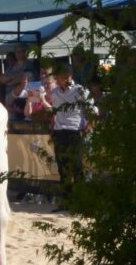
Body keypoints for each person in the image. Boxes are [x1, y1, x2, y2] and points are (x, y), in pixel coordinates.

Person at [50, 65, 95, 212]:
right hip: (59, 132)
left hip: (75, 132)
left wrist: (88, 128)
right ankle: (66, 202)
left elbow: (93, 110)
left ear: (69, 76)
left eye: (60, 76)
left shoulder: (80, 90)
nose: (57, 79)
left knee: (77, 168)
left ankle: (82, 203)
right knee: (63, 169)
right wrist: (53, 127)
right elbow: (54, 111)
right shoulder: (55, 92)